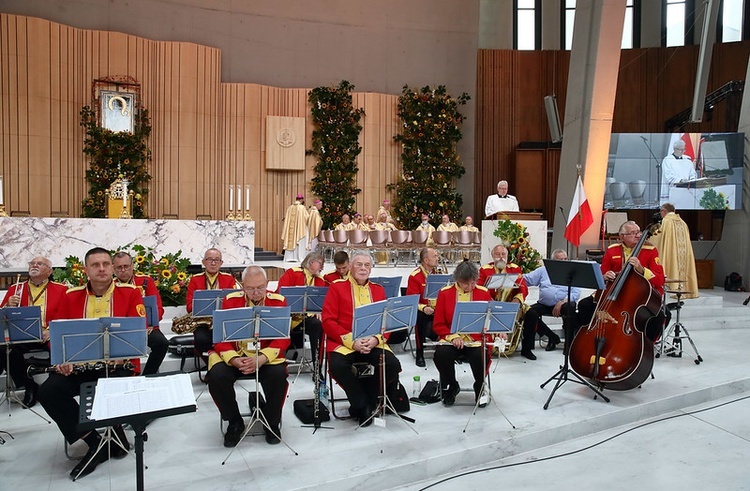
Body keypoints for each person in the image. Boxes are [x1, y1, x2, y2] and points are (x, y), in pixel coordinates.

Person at [36, 247, 146, 480]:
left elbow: (138, 333)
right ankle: (94, 440)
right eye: (95, 265)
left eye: (106, 264)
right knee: (48, 392)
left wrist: (124, 354)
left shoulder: (130, 293)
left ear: (113, 268)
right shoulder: (70, 296)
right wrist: (61, 359)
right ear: (86, 270)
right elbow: (56, 334)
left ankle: (112, 435)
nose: (102, 268)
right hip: (79, 367)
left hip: (117, 367)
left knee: (104, 392)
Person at [208, 265, 290, 447]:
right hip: (236, 356)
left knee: (278, 376)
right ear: (242, 286)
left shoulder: (279, 301)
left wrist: (262, 358)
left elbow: (283, 339)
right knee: (217, 377)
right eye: (250, 288)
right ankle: (234, 421)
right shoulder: (230, 301)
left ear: (267, 284)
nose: (256, 292)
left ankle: (272, 422)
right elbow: (219, 338)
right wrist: (234, 360)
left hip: (265, 357)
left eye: (260, 287)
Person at [321, 252, 402, 426]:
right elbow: (328, 321)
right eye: (359, 264)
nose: (363, 268)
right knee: (337, 366)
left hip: (372, 342)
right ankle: (360, 402)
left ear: (371, 269)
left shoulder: (378, 290)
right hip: (345, 342)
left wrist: (375, 339)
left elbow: (385, 322)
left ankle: (369, 400)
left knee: (392, 364)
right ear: (350, 266)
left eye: (366, 265)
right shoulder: (336, 287)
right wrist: (353, 342)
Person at [577, 221, 666, 336]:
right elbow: (601, 274)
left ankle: (645, 345)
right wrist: (605, 276)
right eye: (633, 233)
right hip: (613, 292)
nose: (638, 235)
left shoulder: (651, 251)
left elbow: (659, 279)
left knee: (660, 316)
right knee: (584, 305)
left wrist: (642, 270)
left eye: (638, 232)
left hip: (638, 296)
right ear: (622, 236)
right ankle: (588, 336)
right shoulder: (612, 249)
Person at [0, 256, 67, 407]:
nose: (34, 265)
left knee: (60, 345)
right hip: (22, 334)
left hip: (48, 334)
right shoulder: (15, 289)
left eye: (40, 263)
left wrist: (51, 330)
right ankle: (29, 385)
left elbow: (67, 314)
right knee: (5, 349)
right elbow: (2, 318)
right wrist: (8, 306)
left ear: (49, 271)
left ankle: (55, 388)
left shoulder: (62, 289)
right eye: (32, 263)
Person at [433, 260, 494, 406]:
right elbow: (438, 324)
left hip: (476, 339)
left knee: (480, 355)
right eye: (466, 283)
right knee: (441, 355)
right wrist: (453, 337)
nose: (471, 287)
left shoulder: (484, 293)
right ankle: (452, 385)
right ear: (458, 280)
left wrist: (499, 332)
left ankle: (479, 386)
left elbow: (490, 320)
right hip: (451, 338)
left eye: (474, 283)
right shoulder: (445, 293)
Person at [113, 251, 169, 375]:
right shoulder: (111, 286)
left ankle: (148, 375)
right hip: (121, 329)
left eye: (126, 266)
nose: (123, 270)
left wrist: (151, 324)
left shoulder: (145, 281)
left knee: (161, 343)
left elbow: (158, 308)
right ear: (113, 269)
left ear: (132, 266)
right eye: (119, 267)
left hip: (147, 326)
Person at [478, 244, 538, 360]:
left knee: (532, 314)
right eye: (497, 254)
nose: (501, 257)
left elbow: (523, 287)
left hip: (511, 303)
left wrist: (517, 300)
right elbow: (480, 289)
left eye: (503, 254)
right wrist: (490, 301)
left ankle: (527, 348)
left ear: (507, 255)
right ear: (492, 256)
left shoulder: (515, 268)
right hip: (492, 304)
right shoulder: (485, 270)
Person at [185, 248, 240, 362]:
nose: (213, 263)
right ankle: (210, 363)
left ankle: (225, 363)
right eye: (210, 259)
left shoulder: (228, 279)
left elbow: (235, 303)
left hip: (223, 321)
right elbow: (189, 306)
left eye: (216, 260)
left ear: (221, 263)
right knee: (200, 340)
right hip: (203, 322)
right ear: (203, 262)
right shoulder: (195, 280)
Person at [276, 251, 327, 372]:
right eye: (320, 263)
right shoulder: (292, 273)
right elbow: (280, 295)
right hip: (288, 317)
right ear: (311, 262)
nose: (322, 267)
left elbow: (323, 303)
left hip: (305, 319)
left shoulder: (320, 281)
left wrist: (320, 311)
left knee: (318, 325)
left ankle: (317, 368)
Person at [522, 249, 580, 352]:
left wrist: (562, 301)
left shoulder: (572, 272)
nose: (563, 261)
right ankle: (550, 338)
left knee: (570, 308)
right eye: (560, 259)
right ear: (553, 261)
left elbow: (576, 293)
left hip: (564, 303)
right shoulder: (543, 270)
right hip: (544, 304)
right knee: (529, 312)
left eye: (565, 259)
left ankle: (569, 345)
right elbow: (527, 279)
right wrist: (513, 275)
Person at [651, 203, 699, 299]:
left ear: (664, 211)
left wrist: (647, 239)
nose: (660, 214)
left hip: (671, 254)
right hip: (684, 255)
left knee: (671, 263)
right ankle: (685, 290)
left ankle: (671, 289)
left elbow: (656, 238)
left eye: (661, 211)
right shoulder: (683, 223)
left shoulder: (665, 222)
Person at [406, 248, 440, 367]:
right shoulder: (415, 276)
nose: (437, 258)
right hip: (423, 310)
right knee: (421, 317)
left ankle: (447, 349)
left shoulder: (439, 275)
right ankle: (420, 353)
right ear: (426, 260)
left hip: (437, 309)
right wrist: (424, 307)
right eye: (435, 256)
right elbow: (412, 300)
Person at [282, 193, 310, 262]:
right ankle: (298, 258)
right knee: (299, 242)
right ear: (301, 200)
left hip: (291, 231)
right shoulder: (302, 208)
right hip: (299, 230)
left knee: (291, 240)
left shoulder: (290, 207)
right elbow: (307, 218)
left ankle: (289, 258)